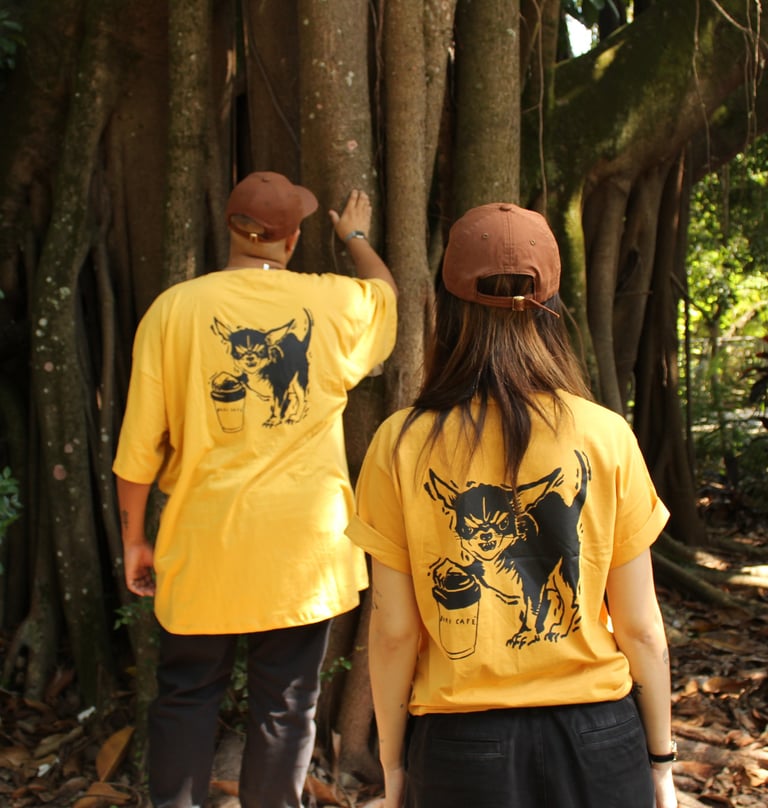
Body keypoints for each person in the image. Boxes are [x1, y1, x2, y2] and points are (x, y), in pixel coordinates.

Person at [347, 202, 678, 808]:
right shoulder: (606, 434)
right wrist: (661, 762)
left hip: (461, 744)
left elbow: (393, 632)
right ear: (552, 307)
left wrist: (392, 763)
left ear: (447, 307)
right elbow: (640, 628)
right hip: (599, 738)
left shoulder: (400, 442)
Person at [113, 171, 398, 808]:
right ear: (292, 239)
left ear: (230, 227)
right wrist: (355, 238)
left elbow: (136, 456)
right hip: (300, 555)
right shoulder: (332, 302)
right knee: (287, 703)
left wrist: (134, 541)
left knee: (185, 694)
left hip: (203, 546)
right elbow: (386, 294)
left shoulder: (173, 311)